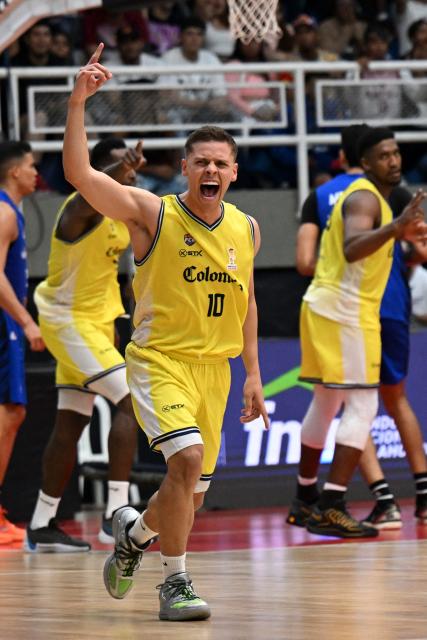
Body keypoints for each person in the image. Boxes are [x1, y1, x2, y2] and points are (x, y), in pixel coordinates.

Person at [62, 44, 268, 621]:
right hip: (160, 360)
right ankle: (175, 584)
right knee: (187, 461)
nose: (210, 171)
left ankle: (134, 535)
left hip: (216, 370)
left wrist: (253, 371)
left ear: (233, 172)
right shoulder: (152, 213)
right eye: (200, 161)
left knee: (186, 495)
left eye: (220, 163)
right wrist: (79, 101)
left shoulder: (246, 229)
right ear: (185, 168)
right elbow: (80, 174)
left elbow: (247, 299)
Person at [288, 126, 427, 538]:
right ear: (364, 162)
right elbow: (352, 248)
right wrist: (395, 229)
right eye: (384, 155)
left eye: (397, 153)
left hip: (326, 305)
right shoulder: (366, 196)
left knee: (327, 401)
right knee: (364, 408)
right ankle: (332, 504)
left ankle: (304, 498)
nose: (395, 160)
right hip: (346, 310)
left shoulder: (373, 197)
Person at [25, 137, 144, 552]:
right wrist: (114, 173)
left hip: (95, 325)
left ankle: (42, 522)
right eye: (117, 167)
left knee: (70, 422)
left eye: (129, 167)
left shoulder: (120, 217)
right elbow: (92, 191)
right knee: (131, 401)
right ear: (94, 172)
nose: (128, 174)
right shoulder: (79, 209)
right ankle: (116, 516)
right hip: (67, 321)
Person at [0, 141, 44, 544]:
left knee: (13, 413)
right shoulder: (3, 212)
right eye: (31, 166)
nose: (36, 173)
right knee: (11, 412)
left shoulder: (10, 211)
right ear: (15, 171)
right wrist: (27, 321)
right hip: (5, 322)